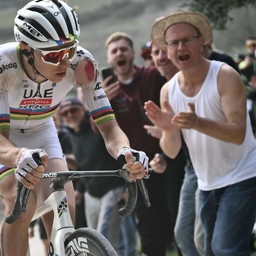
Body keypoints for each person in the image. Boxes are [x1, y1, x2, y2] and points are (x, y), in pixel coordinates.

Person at [0, 1, 148, 255]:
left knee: (63, 202)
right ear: (26, 50)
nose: (64, 62)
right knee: (21, 202)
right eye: (53, 55)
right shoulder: (4, 65)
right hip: (6, 136)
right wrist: (19, 155)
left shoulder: (82, 64)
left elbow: (110, 128)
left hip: (42, 130)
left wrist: (126, 152)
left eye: (69, 50)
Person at [145, 9, 256, 256]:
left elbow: (238, 134)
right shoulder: (168, 91)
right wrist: (167, 130)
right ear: (167, 49)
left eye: (186, 40)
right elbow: (172, 150)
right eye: (173, 43)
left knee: (224, 249)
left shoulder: (224, 75)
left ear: (201, 42)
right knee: (208, 249)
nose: (180, 46)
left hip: (243, 175)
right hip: (206, 183)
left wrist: (197, 122)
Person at [102, 31, 185, 256]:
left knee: (179, 223)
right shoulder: (104, 93)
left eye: (124, 49)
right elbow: (99, 131)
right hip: (138, 167)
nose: (120, 53)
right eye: (114, 51)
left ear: (132, 54)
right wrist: (104, 104)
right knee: (149, 229)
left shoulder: (151, 75)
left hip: (168, 158)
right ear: (109, 59)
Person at [59, 96, 137, 256]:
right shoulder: (72, 134)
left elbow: (119, 153)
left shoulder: (97, 127)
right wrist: (80, 189)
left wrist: (127, 187)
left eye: (73, 110)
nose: (70, 115)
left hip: (112, 189)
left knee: (105, 243)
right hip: (91, 193)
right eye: (65, 113)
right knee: (92, 244)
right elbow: (84, 165)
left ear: (83, 110)